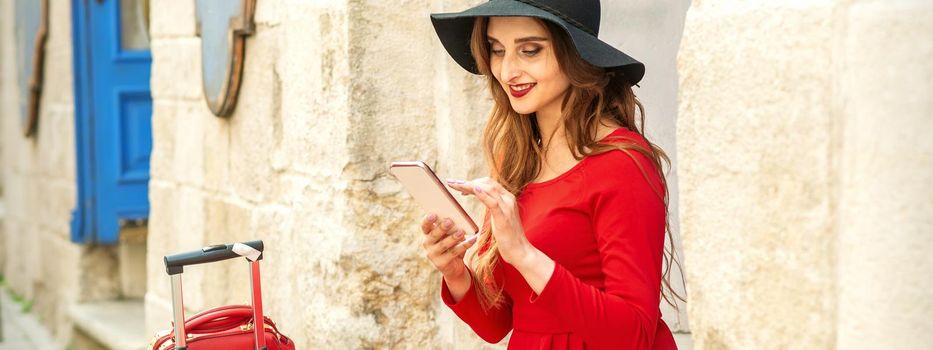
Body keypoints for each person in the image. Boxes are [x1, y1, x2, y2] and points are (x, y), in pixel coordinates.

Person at [419, 1, 683, 349]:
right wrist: (456, 273)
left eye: (530, 50)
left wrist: (525, 255)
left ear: (575, 53)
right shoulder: (515, 159)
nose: (507, 70)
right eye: (497, 50)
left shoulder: (623, 163)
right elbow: (499, 323)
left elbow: (633, 335)